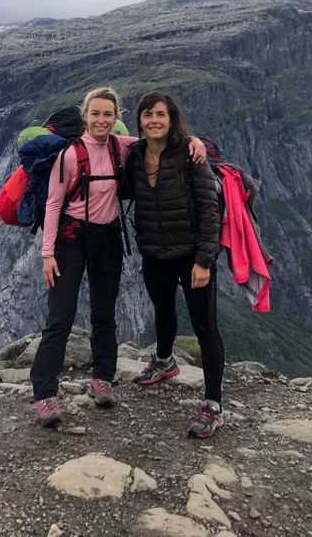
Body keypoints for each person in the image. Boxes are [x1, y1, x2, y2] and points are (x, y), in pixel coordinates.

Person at [31, 87, 204, 427]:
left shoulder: (122, 147)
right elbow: (53, 203)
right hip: (72, 240)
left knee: (104, 312)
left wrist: (192, 140)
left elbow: (162, 140)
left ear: (116, 118)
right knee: (60, 318)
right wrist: (47, 253)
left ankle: (103, 378)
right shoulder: (69, 155)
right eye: (95, 114)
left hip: (108, 238)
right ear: (85, 116)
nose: (101, 120)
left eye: (107, 115)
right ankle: (45, 394)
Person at [127, 90, 225, 439]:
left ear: (172, 120)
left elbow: (209, 209)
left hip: (191, 255)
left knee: (204, 326)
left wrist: (204, 260)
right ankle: (165, 361)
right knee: (163, 311)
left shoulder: (189, 155)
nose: (153, 120)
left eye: (161, 115)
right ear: (138, 119)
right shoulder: (134, 156)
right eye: (147, 114)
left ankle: (213, 404)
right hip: (155, 253)